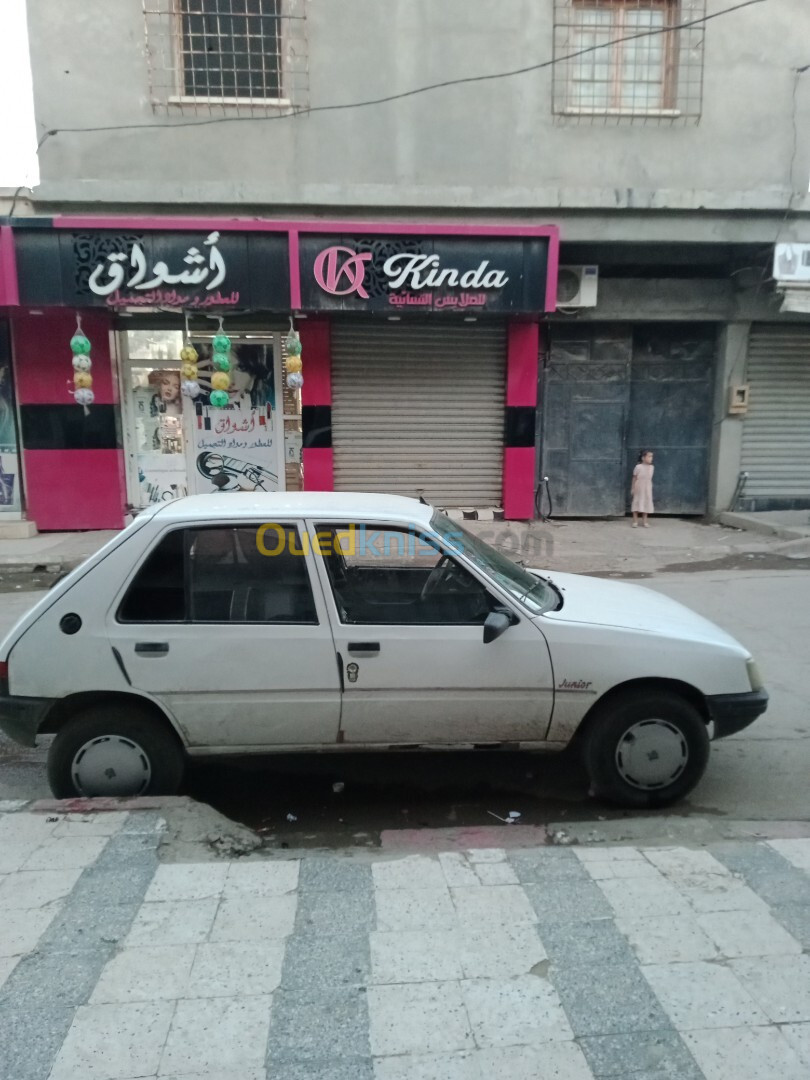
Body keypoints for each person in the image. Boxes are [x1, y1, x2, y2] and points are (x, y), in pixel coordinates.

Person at [631, 450, 654, 528]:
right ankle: (635, 521)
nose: (651, 458)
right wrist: (633, 488)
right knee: (637, 502)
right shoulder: (638, 467)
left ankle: (645, 521)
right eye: (649, 456)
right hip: (639, 487)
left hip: (647, 487)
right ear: (643, 458)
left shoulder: (652, 467)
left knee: (646, 502)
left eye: (652, 457)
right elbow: (634, 477)